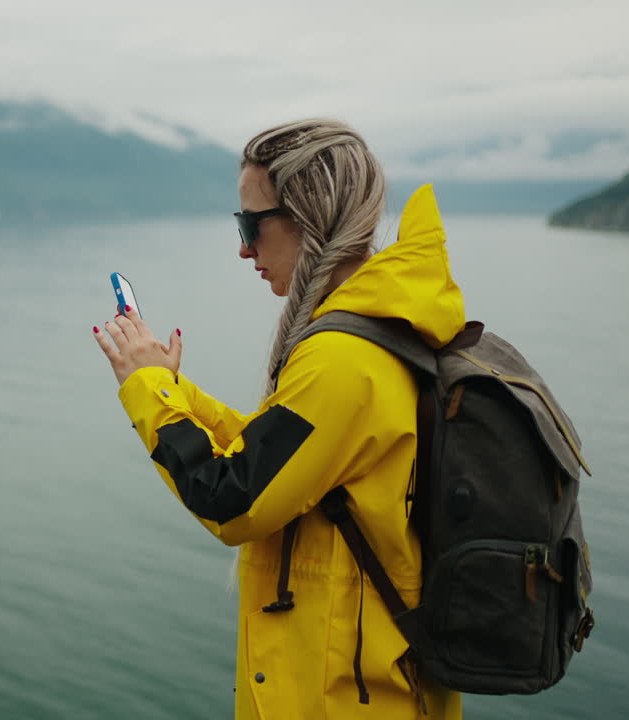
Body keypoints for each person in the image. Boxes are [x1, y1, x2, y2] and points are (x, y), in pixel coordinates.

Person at [91, 119, 464, 719]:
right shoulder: (375, 330)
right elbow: (280, 455)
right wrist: (174, 390)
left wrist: (148, 391)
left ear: (309, 216)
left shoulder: (345, 358)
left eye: (251, 226)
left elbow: (232, 498)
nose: (244, 250)